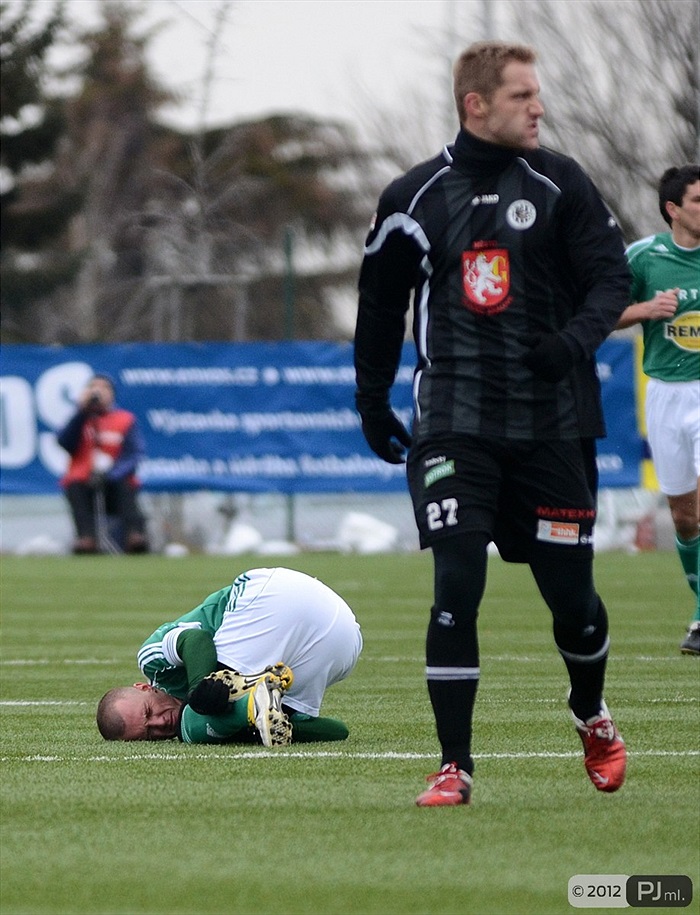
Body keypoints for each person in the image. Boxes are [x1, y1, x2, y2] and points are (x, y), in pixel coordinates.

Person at [354, 41, 632, 807]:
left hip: (552, 422)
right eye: (521, 96)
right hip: (454, 423)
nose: (538, 106)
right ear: (476, 105)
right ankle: (454, 763)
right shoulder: (413, 197)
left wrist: (572, 342)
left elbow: (611, 276)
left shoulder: (561, 182)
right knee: (456, 579)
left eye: (536, 94)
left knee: (573, 601)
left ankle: (590, 712)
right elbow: (379, 307)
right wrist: (372, 402)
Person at [96, 566, 363, 745]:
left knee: (196, 721)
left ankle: (246, 705)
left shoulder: (153, 664)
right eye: (150, 733)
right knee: (241, 719)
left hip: (272, 596)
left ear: (144, 688)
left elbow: (196, 639)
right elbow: (339, 731)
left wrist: (199, 687)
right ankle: (255, 710)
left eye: (148, 712)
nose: (160, 722)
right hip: (345, 642)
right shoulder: (198, 725)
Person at [615, 165, 700, 655]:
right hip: (667, 394)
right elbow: (601, 313)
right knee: (684, 517)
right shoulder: (643, 258)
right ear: (673, 209)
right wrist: (645, 310)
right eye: (697, 201)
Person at [57, 373, 149, 554]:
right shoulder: (80, 419)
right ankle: (86, 538)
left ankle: (134, 536)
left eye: (103, 387)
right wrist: (82, 412)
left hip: (115, 482)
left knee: (125, 486)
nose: (97, 391)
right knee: (74, 485)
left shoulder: (124, 419)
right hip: (84, 482)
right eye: (92, 386)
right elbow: (64, 442)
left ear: (112, 394)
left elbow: (135, 453)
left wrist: (112, 474)